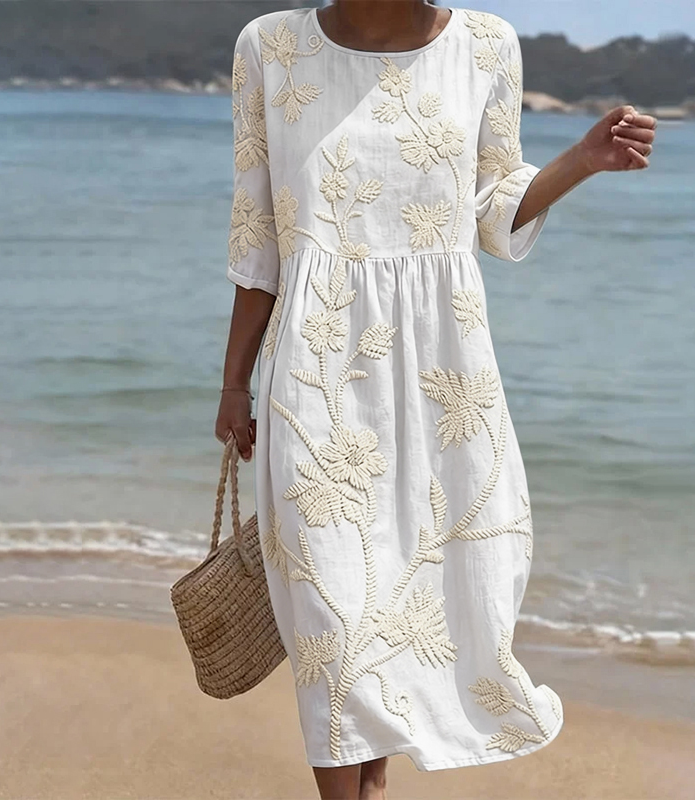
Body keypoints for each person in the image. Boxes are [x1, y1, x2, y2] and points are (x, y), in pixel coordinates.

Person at [214, 2, 657, 798]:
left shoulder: (487, 45)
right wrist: (233, 382)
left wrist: (581, 161)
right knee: (331, 615)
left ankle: (371, 782)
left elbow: (494, 208)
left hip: (444, 372)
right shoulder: (270, 46)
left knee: (406, 597)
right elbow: (259, 236)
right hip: (313, 367)